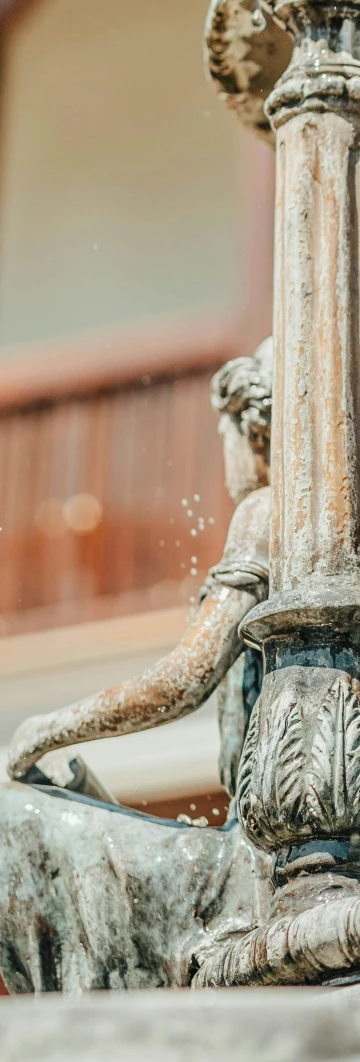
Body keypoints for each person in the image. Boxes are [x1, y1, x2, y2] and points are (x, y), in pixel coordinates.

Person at [0, 348, 273, 990]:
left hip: (250, 875)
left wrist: (49, 728)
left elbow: (184, 679)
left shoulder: (265, 512)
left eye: (225, 434)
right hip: (258, 855)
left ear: (250, 429)